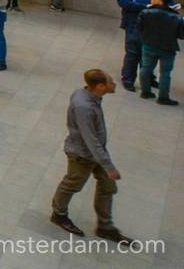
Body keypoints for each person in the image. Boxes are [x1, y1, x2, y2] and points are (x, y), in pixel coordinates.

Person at [49, 69, 134, 243]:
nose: (114, 84)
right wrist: (109, 166)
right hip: (83, 155)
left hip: (96, 153)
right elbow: (90, 139)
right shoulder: (84, 107)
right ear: (101, 86)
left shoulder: (85, 94)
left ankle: (105, 226)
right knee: (72, 184)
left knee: (108, 187)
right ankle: (59, 214)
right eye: (111, 82)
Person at [118, 0, 175, 91]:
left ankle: (148, 78)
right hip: (134, 25)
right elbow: (123, 2)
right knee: (133, 53)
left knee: (149, 55)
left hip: (153, 28)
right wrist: (145, 7)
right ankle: (128, 79)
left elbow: (173, 5)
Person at [138, 0, 184, 105]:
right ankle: (163, 97)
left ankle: (145, 91)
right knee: (165, 73)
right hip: (168, 48)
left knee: (146, 69)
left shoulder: (145, 12)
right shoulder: (176, 17)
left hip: (148, 45)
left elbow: (139, 27)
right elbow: (181, 35)